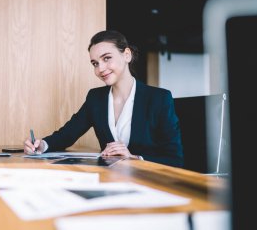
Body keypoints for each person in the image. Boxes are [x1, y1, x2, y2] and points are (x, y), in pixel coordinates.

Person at [24, 30, 183, 167]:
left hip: (149, 184)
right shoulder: (96, 98)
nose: (100, 69)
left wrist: (135, 159)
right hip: (109, 181)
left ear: (126, 55)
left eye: (107, 58)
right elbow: (67, 134)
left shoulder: (159, 98)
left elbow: (175, 159)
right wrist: (41, 145)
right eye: (95, 63)